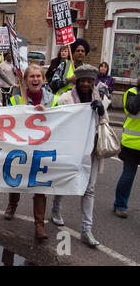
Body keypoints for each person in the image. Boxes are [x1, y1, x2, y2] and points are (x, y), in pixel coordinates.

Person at [50, 64, 107, 247]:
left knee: (89, 189)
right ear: (77, 80)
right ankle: (56, 210)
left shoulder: (101, 97)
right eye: (83, 80)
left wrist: (101, 111)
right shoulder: (65, 99)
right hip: (71, 149)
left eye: (90, 81)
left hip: (92, 150)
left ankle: (86, 229)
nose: (86, 84)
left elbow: (104, 122)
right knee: (65, 180)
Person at [4, 65, 58, 240]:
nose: (35, 79)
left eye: (38, 76)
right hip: (21, 147)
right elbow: (7, 120)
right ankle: (12, 205)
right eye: (31, 77)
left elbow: (61, 121)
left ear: (43, 79)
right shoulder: (16, 99)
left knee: (40, 185)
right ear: (25, 80)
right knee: (16, 178)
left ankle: (39, 225)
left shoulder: (53, 100)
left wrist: (47, 113)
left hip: (42, 148)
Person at [113, 76, 140, 218]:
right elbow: (132, 109)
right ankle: (120, 204)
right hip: (132, 144)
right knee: (128, 176)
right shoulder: (132, 92)